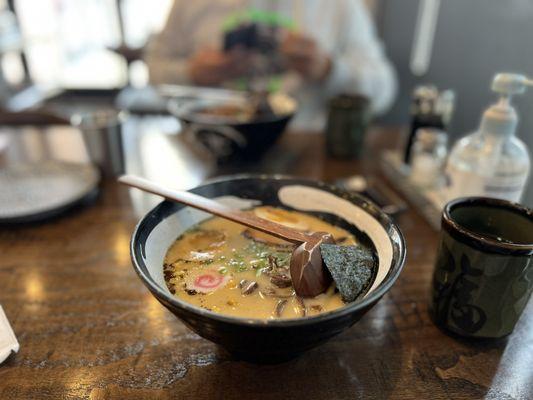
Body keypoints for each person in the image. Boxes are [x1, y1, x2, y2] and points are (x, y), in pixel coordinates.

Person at [146, 0, 396, 130]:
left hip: (304, 150)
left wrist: (329, 70)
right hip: (210, 143)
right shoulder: (191, 5)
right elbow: (153, 71)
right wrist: (192, 73)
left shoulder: (339, 6)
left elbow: (384, 92)